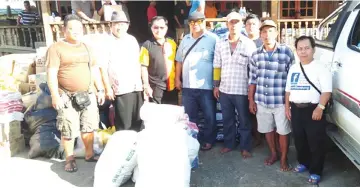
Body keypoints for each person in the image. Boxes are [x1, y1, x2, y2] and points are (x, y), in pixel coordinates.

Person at [46, 14, 105, 173]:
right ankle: (70, 159)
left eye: (79, 28)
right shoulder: (56, 48)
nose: (76, 31)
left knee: (89, 126)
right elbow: (51, 73)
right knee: (68, 129)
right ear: (64, 30)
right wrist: (55, 95)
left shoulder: (87, 48)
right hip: (66, 95)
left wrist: (100, 89)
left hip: (88, 94)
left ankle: (89, 154)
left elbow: (94, 70)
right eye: (71, 28)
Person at [248, 19, 295, 171]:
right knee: (267, 129)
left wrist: (290, 103)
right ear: (260, 34)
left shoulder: (286, 52)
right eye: (263, 31)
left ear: (276, 33)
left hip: (281, 101)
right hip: (262, 100)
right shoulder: (255, 54)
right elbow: (252, 80)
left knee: (283, 131)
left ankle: (283, 158)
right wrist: (251, 101)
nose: (267, 34)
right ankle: (274, 153)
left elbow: (292, 78)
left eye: (270, 31)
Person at [285, 36, 332, 185]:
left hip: (314, 109)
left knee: (316, 142)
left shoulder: (320, 67)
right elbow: (288, 90)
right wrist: (287, 107)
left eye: (307, 48)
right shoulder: (294, 68)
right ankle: (304, 162)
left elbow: (327, 91)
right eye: (300, 48)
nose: (303, 51)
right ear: (296, 50)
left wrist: (320, 107)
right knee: (299, 140)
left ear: (313, 49)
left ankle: (316, 171)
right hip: (296, 109)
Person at [213, 12, 257, 157]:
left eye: (237, 22)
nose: (233, 25)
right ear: (227, 24)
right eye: (231, 22)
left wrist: (252, 92)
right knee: (228, 119)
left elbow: (253, 70)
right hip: (225, 89)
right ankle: (229, 144)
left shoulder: (248, 44)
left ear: (241, 24)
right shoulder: (220, 43)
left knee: (244, 121)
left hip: (242, 90)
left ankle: (245, 147)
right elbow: (217, 66)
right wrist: (216, 85)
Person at [175, 12, 218, 151]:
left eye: (198, 21)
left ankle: (209, 140)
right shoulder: (185, 40)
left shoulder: (213, 39)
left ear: (204, 22)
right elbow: (179, 61)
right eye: (192, 22)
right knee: (191, 117)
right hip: (188, 86)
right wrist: (177, 78)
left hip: (207, 86)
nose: (195, 25)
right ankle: (193, 141)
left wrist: (217, 83)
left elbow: (219, 63)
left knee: (209, 116)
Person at [99, 11, 143, 132]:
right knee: (124, 124)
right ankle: (124, 148)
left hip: (136, 87)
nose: (119, 27)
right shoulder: (106, 42)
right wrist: (107, 88)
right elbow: (102, 67)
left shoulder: (132, 40)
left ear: (127, 25)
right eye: (116, 24)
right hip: (121, 89)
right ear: (111, 25)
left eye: (122, 24)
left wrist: (143, 84)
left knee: (138, 121)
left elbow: (138, 63)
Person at [140, 16, 178, 105]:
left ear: (166, 28)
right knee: (158, 115)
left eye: (162, 28)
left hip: (172, 87)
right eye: (156, 27)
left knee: (172, 115)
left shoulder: (172, 43)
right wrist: (146, 85)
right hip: (155, 88)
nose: (159, 30)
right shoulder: (146, 45)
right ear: (151, 28)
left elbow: (178, 62)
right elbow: (143, 67)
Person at [244, 13, 263, 147]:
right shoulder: (242, 41)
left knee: (262, 112)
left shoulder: (263, 42)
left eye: (254, 24)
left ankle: (266, 138)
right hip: (245, 82)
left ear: (259, 26)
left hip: (262, 84)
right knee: (250, 112)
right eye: (248, 24)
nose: (251, 26)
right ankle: (254, 137)